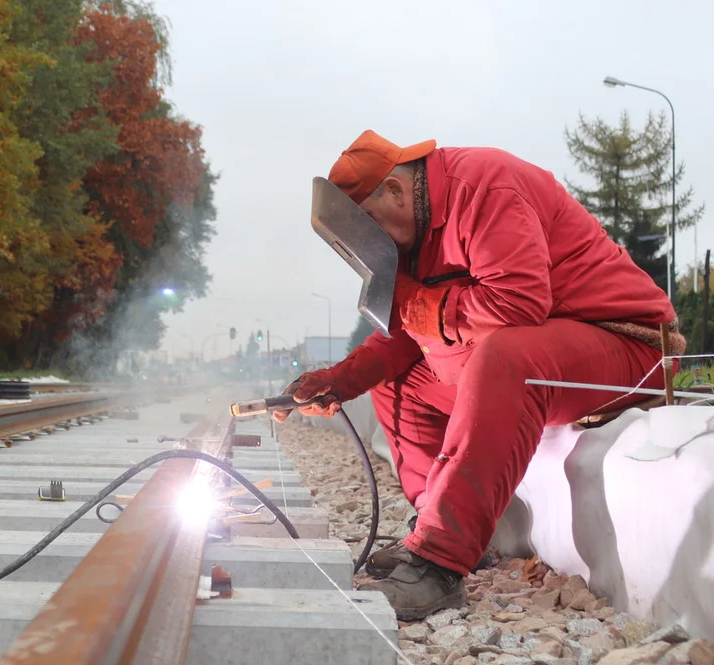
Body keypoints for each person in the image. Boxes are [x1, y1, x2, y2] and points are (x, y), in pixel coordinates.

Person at [274, 130, 683, 621]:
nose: (374, 249)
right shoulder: (417, 234)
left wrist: (418, 305)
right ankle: (436, 521)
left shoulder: (484, 188)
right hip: (551, 350)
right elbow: (412, 332)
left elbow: (518, 304)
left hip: (626, 346)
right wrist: (339, 380)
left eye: (372, 230)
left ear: (397, 192)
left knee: (505, 355)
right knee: (399, 379)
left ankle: (439, 564)